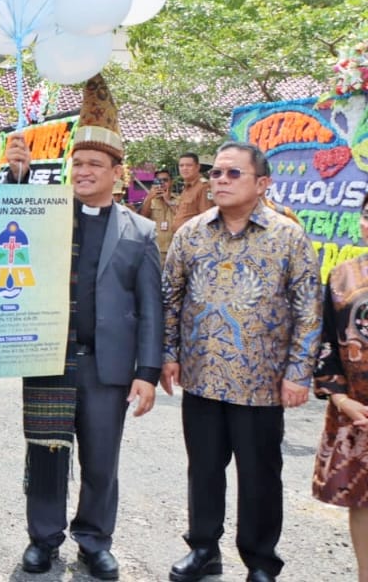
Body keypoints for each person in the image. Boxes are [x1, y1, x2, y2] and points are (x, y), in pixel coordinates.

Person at [17, 76, 161, 580]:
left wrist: (147, 370)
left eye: (94, 164)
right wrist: (17, 174)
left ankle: (95, 540)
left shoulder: (139, 232)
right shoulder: (47, 217)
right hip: (50, 359)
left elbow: (151, 307)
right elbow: (2, 224)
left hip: (107, 366)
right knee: (48, 454)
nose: (82, 171)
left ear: (117, 174)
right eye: (77, 163)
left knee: (101, 461)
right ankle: (43, 540)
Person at [162, 141, 321, 582]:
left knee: (259, 478)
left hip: (262, 384)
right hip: (202, 378)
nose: (221, 181)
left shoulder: (288, 236)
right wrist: (168, 354)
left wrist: (298, 372)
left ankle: (260, 561)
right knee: (205, 471)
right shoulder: (191, 233)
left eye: (234, 174)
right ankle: (203, 550)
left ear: (262, 183)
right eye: (216, 174)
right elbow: (170, 299)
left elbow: (309, 309)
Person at [312, 195, 368, 582]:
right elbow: (326, 341)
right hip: (357, 408)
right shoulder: (342, 276)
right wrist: (341, 397)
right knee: (362, 499)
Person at [138, 168, 179, 262]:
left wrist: (167, 200)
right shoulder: (151, 200)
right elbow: (143, 218)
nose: (162, 183)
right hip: (155, 251)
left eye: (165, 180)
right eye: (159, 181)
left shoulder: (179, 199)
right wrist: (149, 198)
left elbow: (183, 218)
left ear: (171, 182)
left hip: (175, 250)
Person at [171, 152, 212, 233]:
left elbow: (207, 219)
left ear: (197, 167)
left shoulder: (204, 187)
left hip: (193, 240)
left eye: (189, 165)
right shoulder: (186, 187)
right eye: (181, 165)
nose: (184, 168)